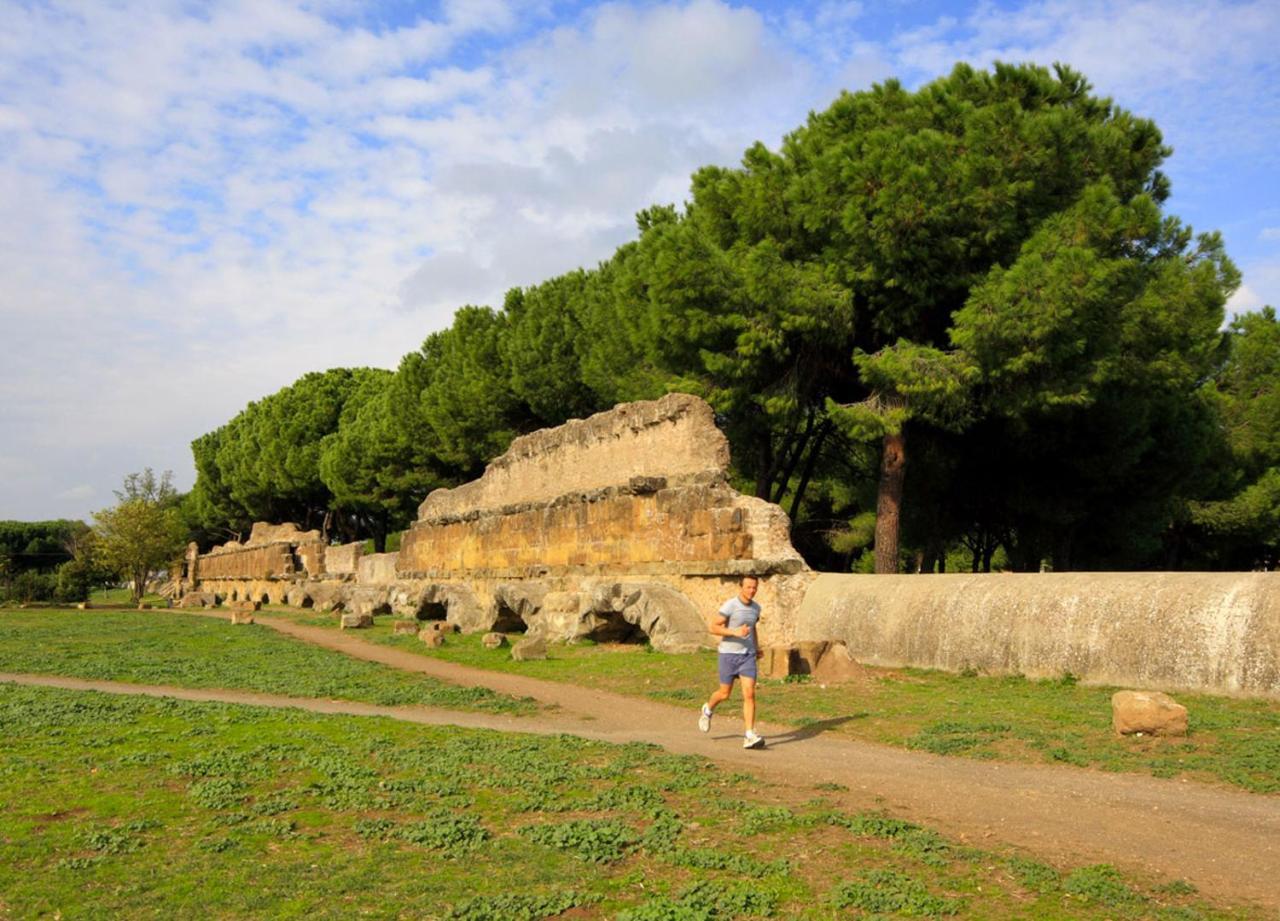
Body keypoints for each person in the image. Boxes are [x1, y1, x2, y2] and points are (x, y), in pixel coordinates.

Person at [698, 574, 765, 748]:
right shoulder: (731, 605)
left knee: (749, 694)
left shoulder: (756, 608)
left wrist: (756, 647)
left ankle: (749, 734)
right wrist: (735, 632)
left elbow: (753, 628)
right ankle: (708, 709)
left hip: (747, 656)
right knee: (724, 694)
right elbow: (713, 627)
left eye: (754, 587)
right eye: (748, 587)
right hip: (728, 655)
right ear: (741, 587)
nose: (752, 590)